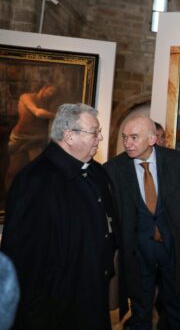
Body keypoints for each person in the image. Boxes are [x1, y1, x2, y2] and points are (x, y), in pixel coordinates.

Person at [1, 103, 117, 329]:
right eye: (94, 132)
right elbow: (24, 261)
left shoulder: (96, 172)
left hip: (92, 295)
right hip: (57, 308)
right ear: (69, 136)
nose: (100, 138)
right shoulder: (34, 181)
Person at [105, 116, 180, 330]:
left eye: (134, 137)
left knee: (176, 306)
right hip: (137, 252)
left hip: (173, 248)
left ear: (152, 139)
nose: (127, 143)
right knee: (140, 310)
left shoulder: (177, 161)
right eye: (125, 137)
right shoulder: (113, 169)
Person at [4, 84, 57, 191]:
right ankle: (8, 197)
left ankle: (33, 198)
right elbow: (37, 112)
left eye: (53, 93)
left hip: (35, 139)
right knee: (12, 171)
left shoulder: (47, 104)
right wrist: (56, 115)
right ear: (44, 87)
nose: (50, 94)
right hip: (19, 138)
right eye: (50, 91)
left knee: (38, 171)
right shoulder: (26, 97)